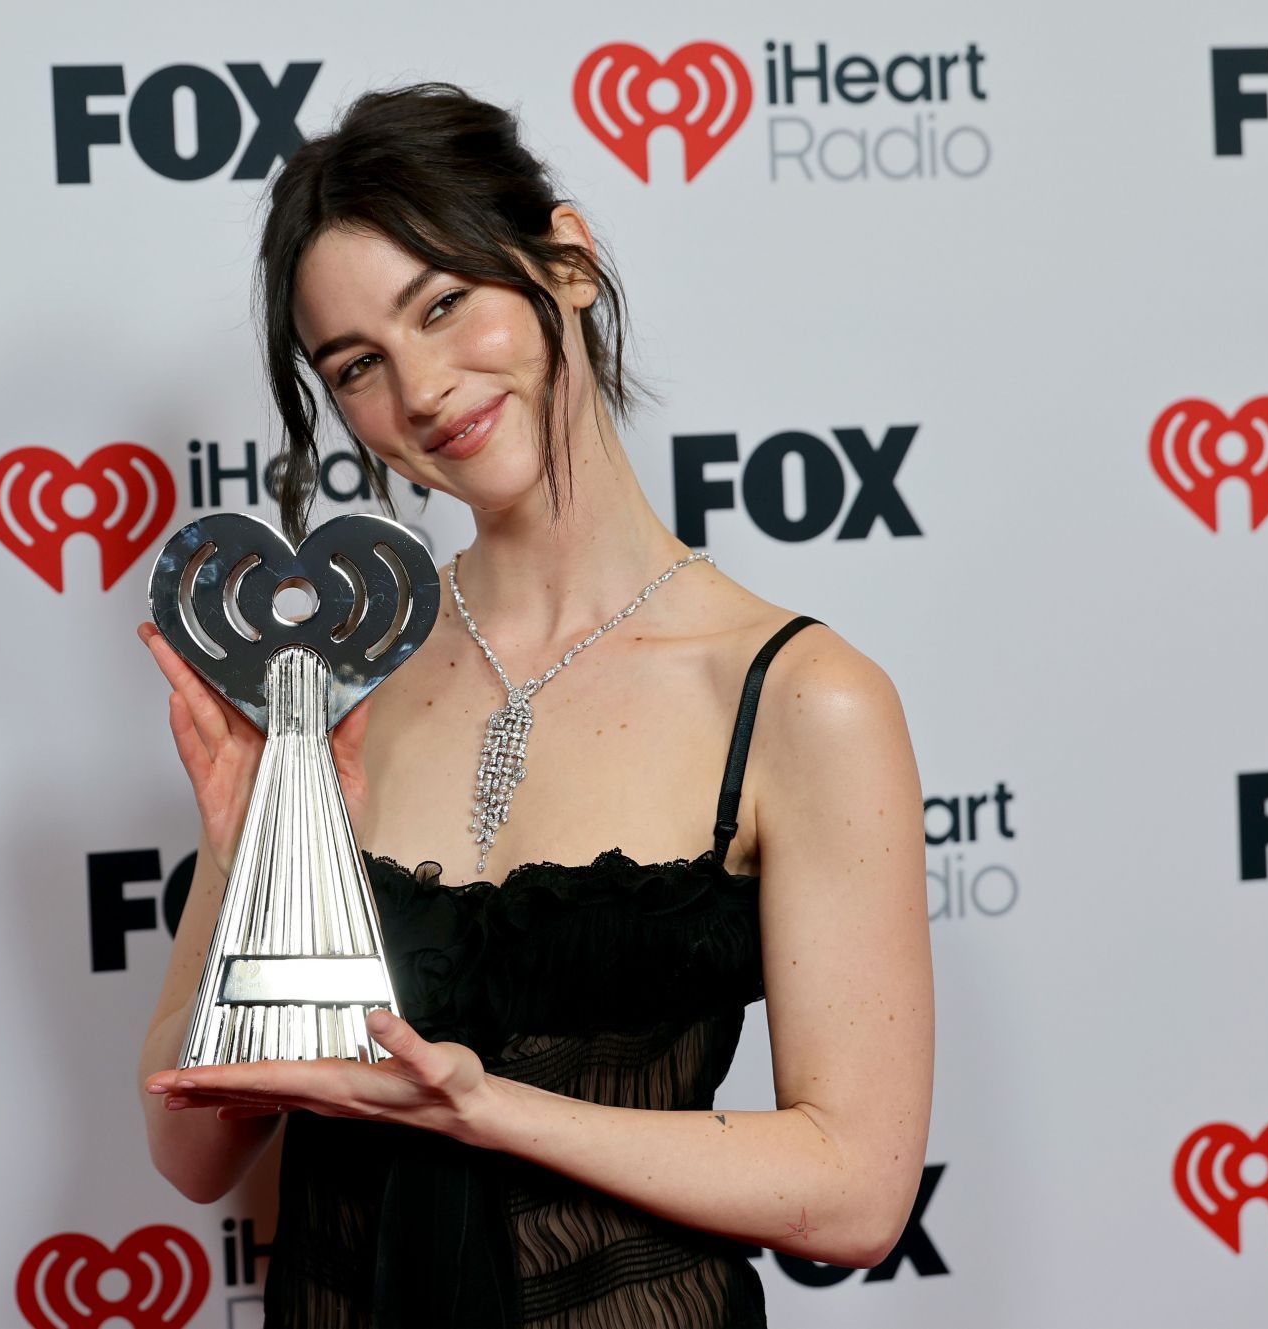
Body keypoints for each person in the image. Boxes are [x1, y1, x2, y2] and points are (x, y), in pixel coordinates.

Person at [136, 83, 932, 1328]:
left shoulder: (800, 697)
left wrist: (485, 1107)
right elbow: (190, 1158)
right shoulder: (346, 670)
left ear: (564, 259)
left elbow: (857, 1192)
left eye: (443, 304)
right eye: (360, 366)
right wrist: (247, 853)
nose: (425, 391)